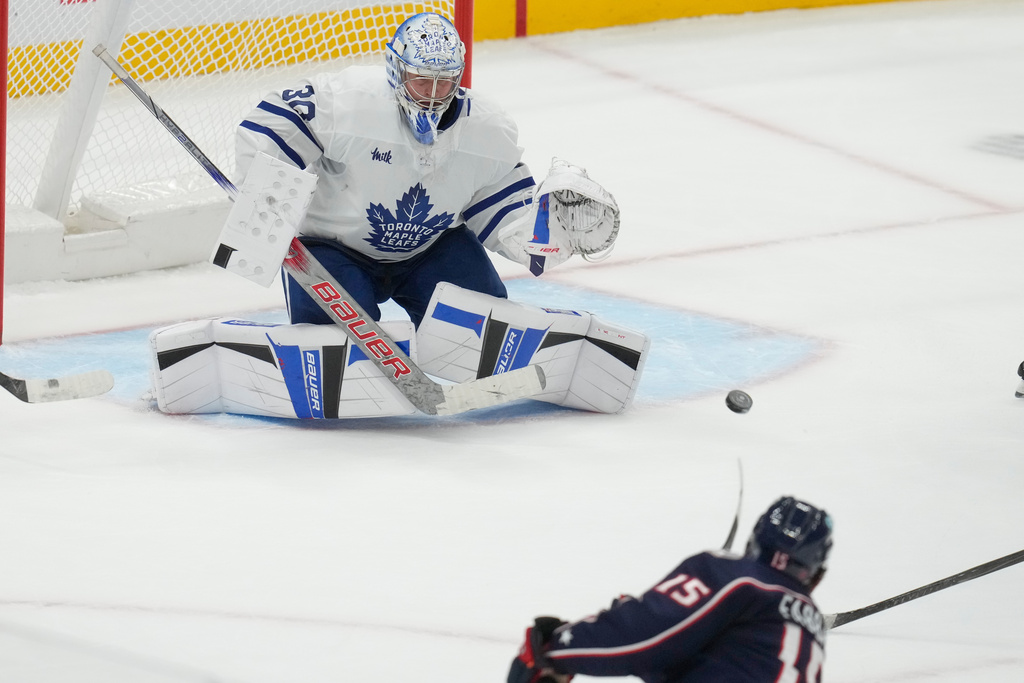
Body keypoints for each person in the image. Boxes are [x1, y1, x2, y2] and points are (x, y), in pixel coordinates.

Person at [233, 11, 618, 328]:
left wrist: (546, 233)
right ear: (396, 71)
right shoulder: (350, 101)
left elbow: (503, 213)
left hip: (430, 250)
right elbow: (271, 122)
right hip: (334, 250)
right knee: (333, 334)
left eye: (444, 82)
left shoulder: (486, 130)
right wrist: (267, 195)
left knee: (486, 327)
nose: (433, 94)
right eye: (421, 80)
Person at [508, 496, 834, 683]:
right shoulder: (812, 626)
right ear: (816, 573)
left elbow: (643, 638)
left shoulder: (737, 576)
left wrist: (554, 650)